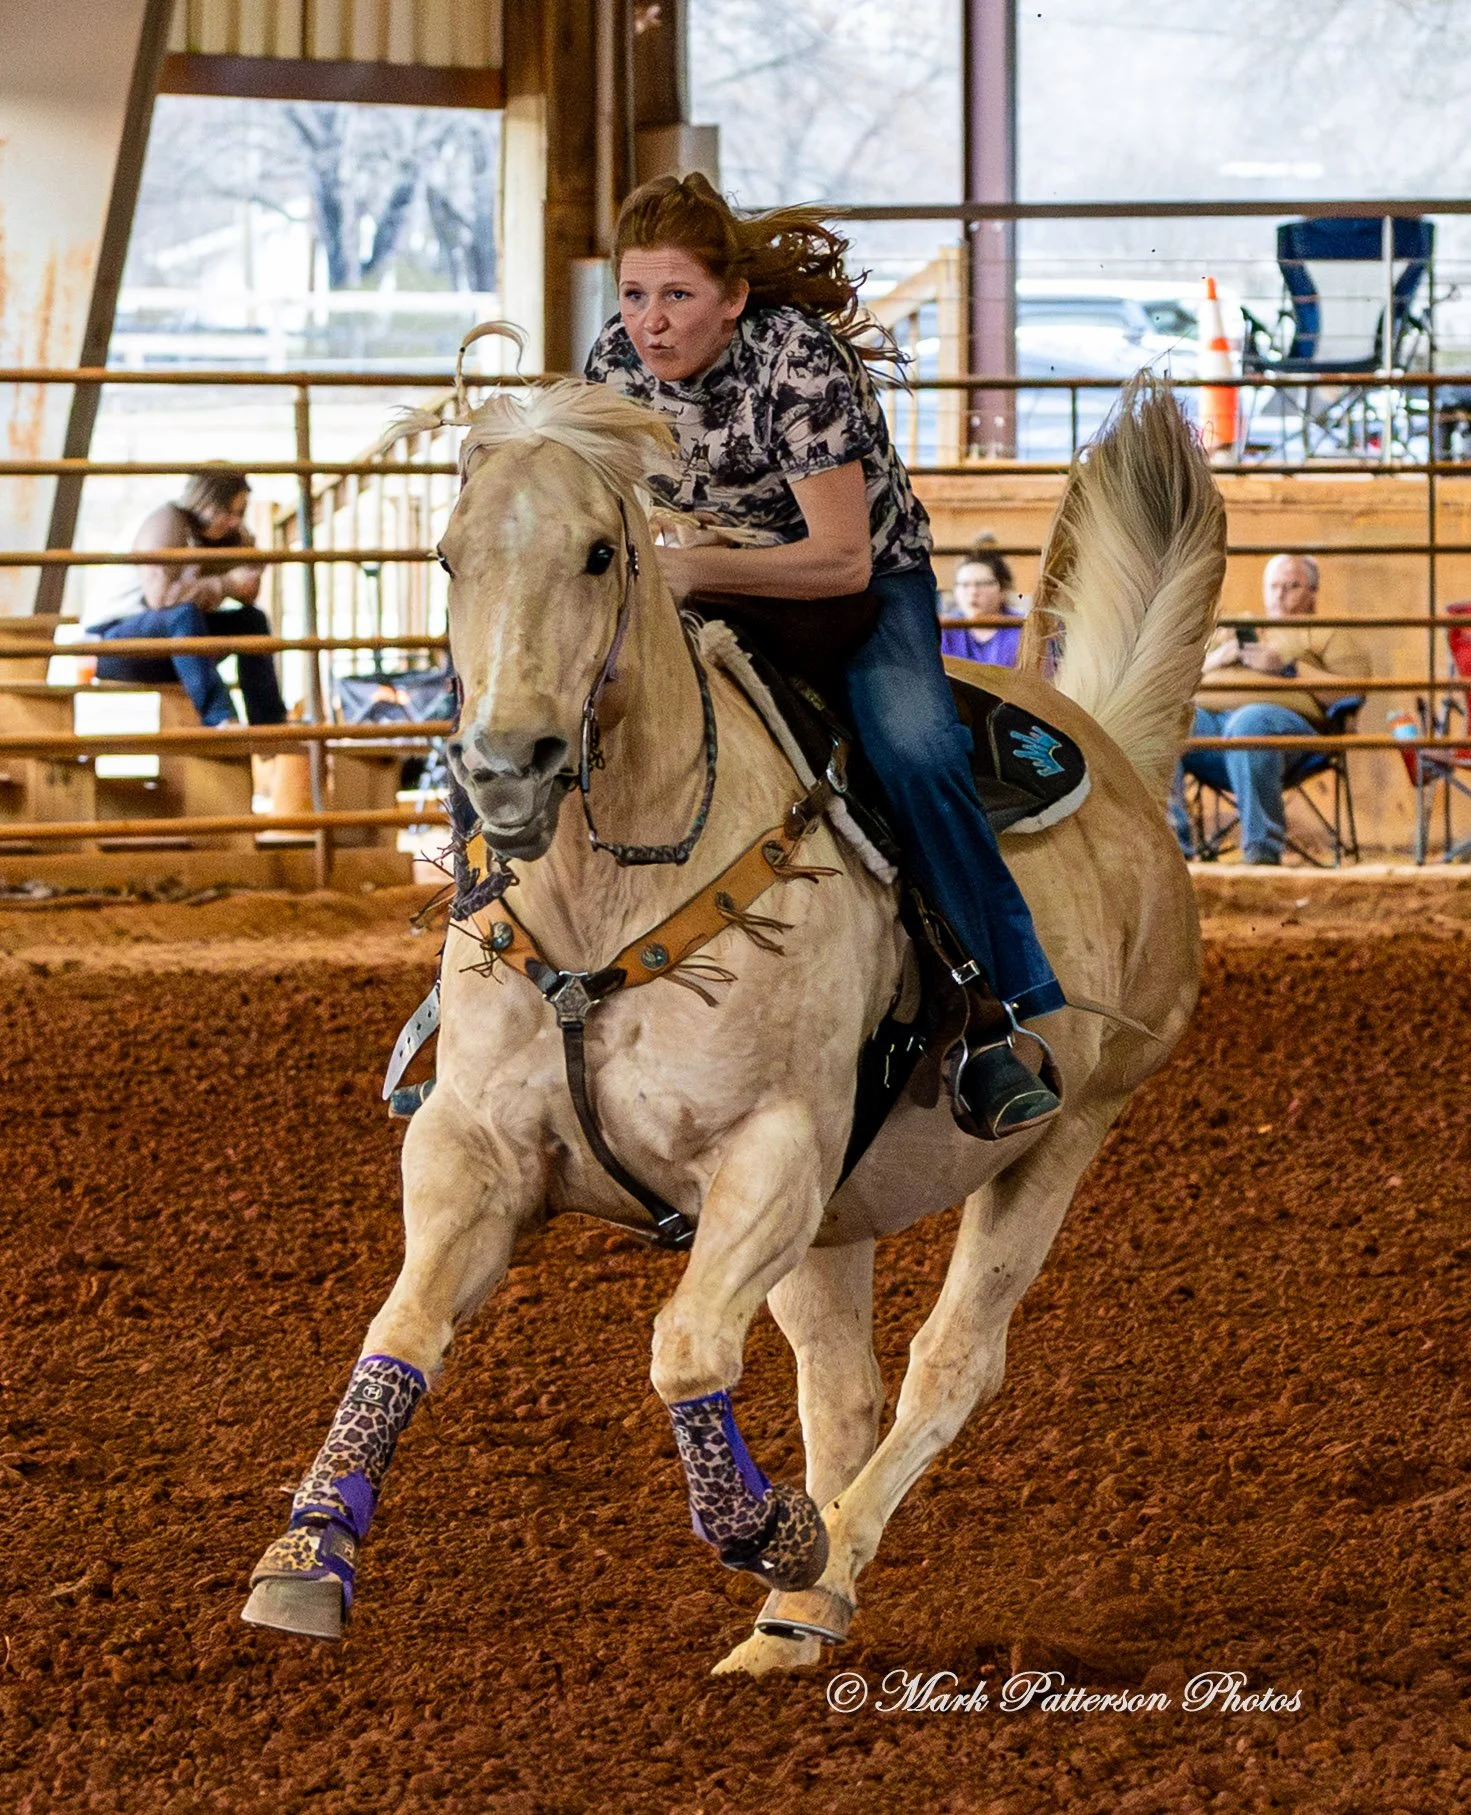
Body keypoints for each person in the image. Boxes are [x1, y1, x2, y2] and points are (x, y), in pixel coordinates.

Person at [585, 172, 1064, 1139]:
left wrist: (689, 573)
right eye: (635, 295)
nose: (650, 322)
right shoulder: (612, 367)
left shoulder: (795, 362)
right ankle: (502, 985)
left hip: (853, 585)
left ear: (732, 300)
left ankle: (990, 1011)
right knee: (563, 713)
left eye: (676, 296)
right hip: (699, 572)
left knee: (918, 751)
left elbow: (840, 558)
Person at [1171, 553, 1368, 865]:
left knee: (1250, 720)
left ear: (1312, 593)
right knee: (1165, 722)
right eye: (1274, 585)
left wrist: (1288, 668)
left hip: (1289, 732)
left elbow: (1353, 691)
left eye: (1292, 586)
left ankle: (1262, 853)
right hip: (1212, 726)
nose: (1280, 594)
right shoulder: (1234, 626)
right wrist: (1219, 657)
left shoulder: (1329, 632)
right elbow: (1176, 679)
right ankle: (1171, 850)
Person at [92, 468, 287, 727]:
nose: (235, 521)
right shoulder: (167, 520)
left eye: (240, 514)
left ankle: (271, 724)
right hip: (113, 645)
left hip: (177, 648)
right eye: (228, 512)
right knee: (183, 613)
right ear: (206, 502)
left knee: (252, 621)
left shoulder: (217, 537)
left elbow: (249, 594)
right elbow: (160, 599)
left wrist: (245, 556)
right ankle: (221, 719)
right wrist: (226, 583)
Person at [941, 547, 1027, 667]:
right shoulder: (946, 628)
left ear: (1002, 589)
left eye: (982, 584)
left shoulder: (1022, 628)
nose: (973, 592)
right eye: (964, 585)